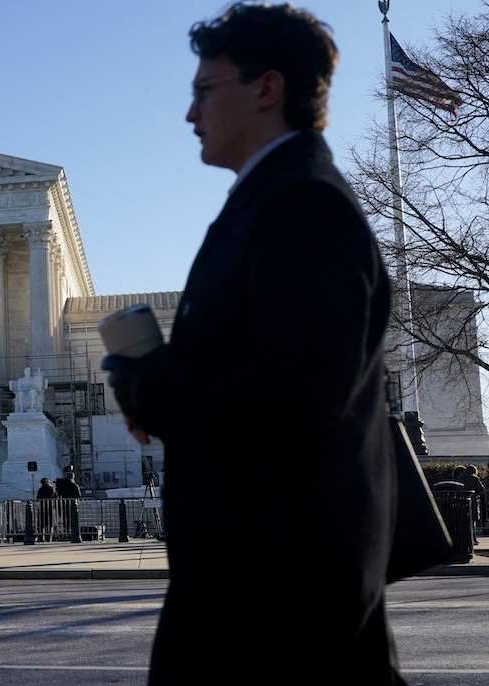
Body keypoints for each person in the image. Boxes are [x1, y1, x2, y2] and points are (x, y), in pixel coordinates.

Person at [100, 5, 400, 682]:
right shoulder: (274, 201)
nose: (189, 114)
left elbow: (282, 402)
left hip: (273, 599)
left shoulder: (305, 208)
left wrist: (147, 385)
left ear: (266, 88)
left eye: (205, 91)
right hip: (259, 585)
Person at [35, 477, 57, 541]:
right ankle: (49, 538)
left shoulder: (40, 489)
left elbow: (38, 498)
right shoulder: (51, 488)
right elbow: (55, 496)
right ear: (47, 482)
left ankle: (41, 537)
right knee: (50, 523)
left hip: (42, 508)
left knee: (41, 523)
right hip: (50, 507)